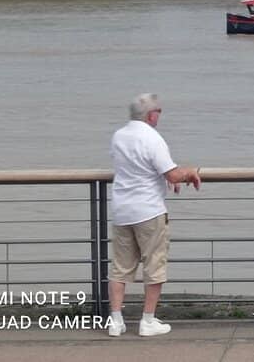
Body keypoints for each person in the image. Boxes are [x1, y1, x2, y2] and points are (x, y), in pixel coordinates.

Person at [107, 93, 201, 338]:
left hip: (121, 209)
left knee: (120, 268)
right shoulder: (152, 137)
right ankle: (147, 320)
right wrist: (190, 173)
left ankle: (115, 321)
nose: (160, 114)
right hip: (148, 210)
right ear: (151, 114)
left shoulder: (119, 136)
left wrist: (166, 175)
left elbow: (136, 168)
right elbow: (172, 174)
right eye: (159, 110)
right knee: (154, 265)